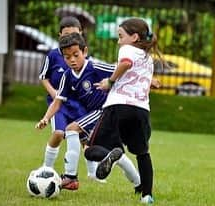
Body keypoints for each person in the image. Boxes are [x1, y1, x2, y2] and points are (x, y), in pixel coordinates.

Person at [36, 32, 141, 191]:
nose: (72, 60)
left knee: (71, 129)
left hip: (107, 110)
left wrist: (147, 80)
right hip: (94, 115)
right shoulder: (67, 76)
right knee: (98, 151)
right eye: (67, 57)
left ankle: (70, 177)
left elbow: (120, 70)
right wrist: (45, 118)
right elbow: (57, 101)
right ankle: (139, 183)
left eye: (76, 55)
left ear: (85, 52)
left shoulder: (95, 67)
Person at [86, 18, 162, 204]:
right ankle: (147, 196)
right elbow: (135, 75)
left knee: (90, 150)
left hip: (118, 106)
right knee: (143, 153)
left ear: (134, 37)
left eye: (121, 36)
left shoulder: (127, 50)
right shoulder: (148, 59)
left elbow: (126, 63)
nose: (119, 41)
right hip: (141, 111)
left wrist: (110, 82)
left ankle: (111, 154)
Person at [38, 16, 102, 185]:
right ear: (60, 35)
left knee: (85, 138)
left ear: (81, 34)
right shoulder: (52, 55)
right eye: (66, 34)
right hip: (59, 103)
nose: (70, 38)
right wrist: (53, 93)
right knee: (59, 133)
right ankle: (46, 169)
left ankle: (92, 173)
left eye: (74, 34)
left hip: (80, 105)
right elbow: (43, 77)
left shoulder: (84, 56)